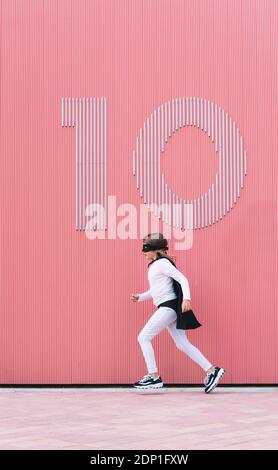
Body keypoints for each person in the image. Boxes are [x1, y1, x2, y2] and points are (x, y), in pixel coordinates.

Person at [130, 233, 225, 393]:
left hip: (169, 307)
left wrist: (186, 299)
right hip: (169, 307)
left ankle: (154, 377)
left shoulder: (162, 263)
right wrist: (140, 297)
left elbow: (183, 279)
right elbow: (156, 291)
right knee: (182, 344)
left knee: (143, 337)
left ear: (155, 249)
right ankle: (211, 370)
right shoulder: (155, 266)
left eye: (146, 248)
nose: (143, 252)